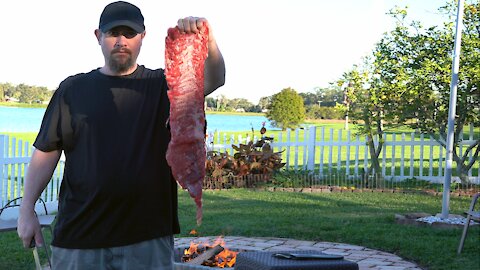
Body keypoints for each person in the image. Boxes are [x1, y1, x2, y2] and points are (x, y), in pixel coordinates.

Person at [17, 1, 225, 269]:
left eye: (130, 34)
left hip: (146, 238)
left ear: (142, 38)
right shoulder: (72, 90)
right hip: (80, 238)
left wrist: (208, 39)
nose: (121, 41)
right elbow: (46, 152)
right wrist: (26, 210)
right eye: (114, 33)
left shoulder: (164, 87)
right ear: (98, 36)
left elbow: (214, 79)